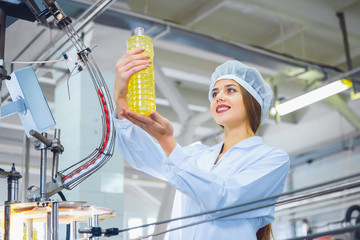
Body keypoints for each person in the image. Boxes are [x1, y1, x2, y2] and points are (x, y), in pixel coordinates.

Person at [113, 47, 290, 240]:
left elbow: (223, 201)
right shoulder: (196, 155)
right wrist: (120, 96)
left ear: (253, 101)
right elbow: (143, 156)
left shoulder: (272, 159)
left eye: (230, 90)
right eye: (214, 94)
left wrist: (167, 141)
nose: (219, 97)